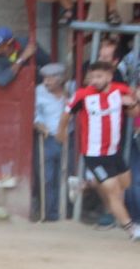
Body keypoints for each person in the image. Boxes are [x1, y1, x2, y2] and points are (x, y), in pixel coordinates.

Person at [59, 59, 139, 237]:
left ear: (109, 77)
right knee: (114, 191)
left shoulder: (120, 90)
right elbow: (66, 113)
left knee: (125, 184)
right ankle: (131, 229)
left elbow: (134, 113)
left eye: (99, 76)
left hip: (113, 151)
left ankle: (85, 184)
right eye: (92, 76)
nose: (94, 80)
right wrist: (61, 133)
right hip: (93, 154)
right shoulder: (82, 94)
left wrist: (132, 103)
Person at [33, 64, 69, 222]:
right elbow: (34, 115)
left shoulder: (70, 90)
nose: (46, 82)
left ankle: (63, 211)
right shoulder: (38, 92)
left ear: (60, 80)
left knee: (64, 176)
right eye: (44, 78)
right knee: (47, 177)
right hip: (47, 139)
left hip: (68, 139)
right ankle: (49, 213)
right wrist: (39, 125)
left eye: (50, 79)